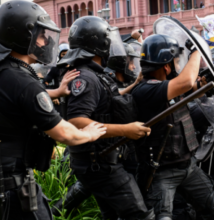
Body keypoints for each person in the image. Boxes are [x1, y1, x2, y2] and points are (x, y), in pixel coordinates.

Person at [0, 1, 107, 219]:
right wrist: (87, 134)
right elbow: (63, 133)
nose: (45, 42)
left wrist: (55, 92)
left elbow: (10, 98)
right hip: (13, 187)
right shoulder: (22, 80)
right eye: (41, 35)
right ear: (25, 36)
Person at [58, 16, 154, 220]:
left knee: (111, 216)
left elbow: (108, 99)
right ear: (99, 44)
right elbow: (77, 121)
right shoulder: (86, 77)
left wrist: (134, 84)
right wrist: (125, 130)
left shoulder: (95, 75)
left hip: (101, 160)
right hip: (99, 164)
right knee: (139, 215)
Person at [132, 34, 214, 220]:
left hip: (187, 166)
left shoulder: (167, 86)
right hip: (161, 172)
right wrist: (196, 51)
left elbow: (193, 88)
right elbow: (185, 83)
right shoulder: (145, 90)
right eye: (175, 62)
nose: (178, 66)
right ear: (166, 66)